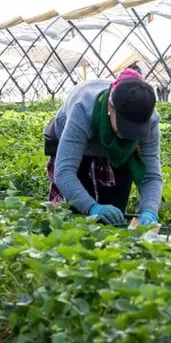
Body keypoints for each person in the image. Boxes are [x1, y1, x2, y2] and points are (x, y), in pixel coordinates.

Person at [43, 68, 163, 228]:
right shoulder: (83, 108)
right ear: (110, 108)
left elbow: (151, 176)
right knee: (76, 216)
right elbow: (64, 172)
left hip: (120, 155)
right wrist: (91, 207)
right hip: (80, 149)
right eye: (125, 128)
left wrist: (150, 210)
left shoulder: (150, 118)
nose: (128, 136)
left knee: (114, 215)